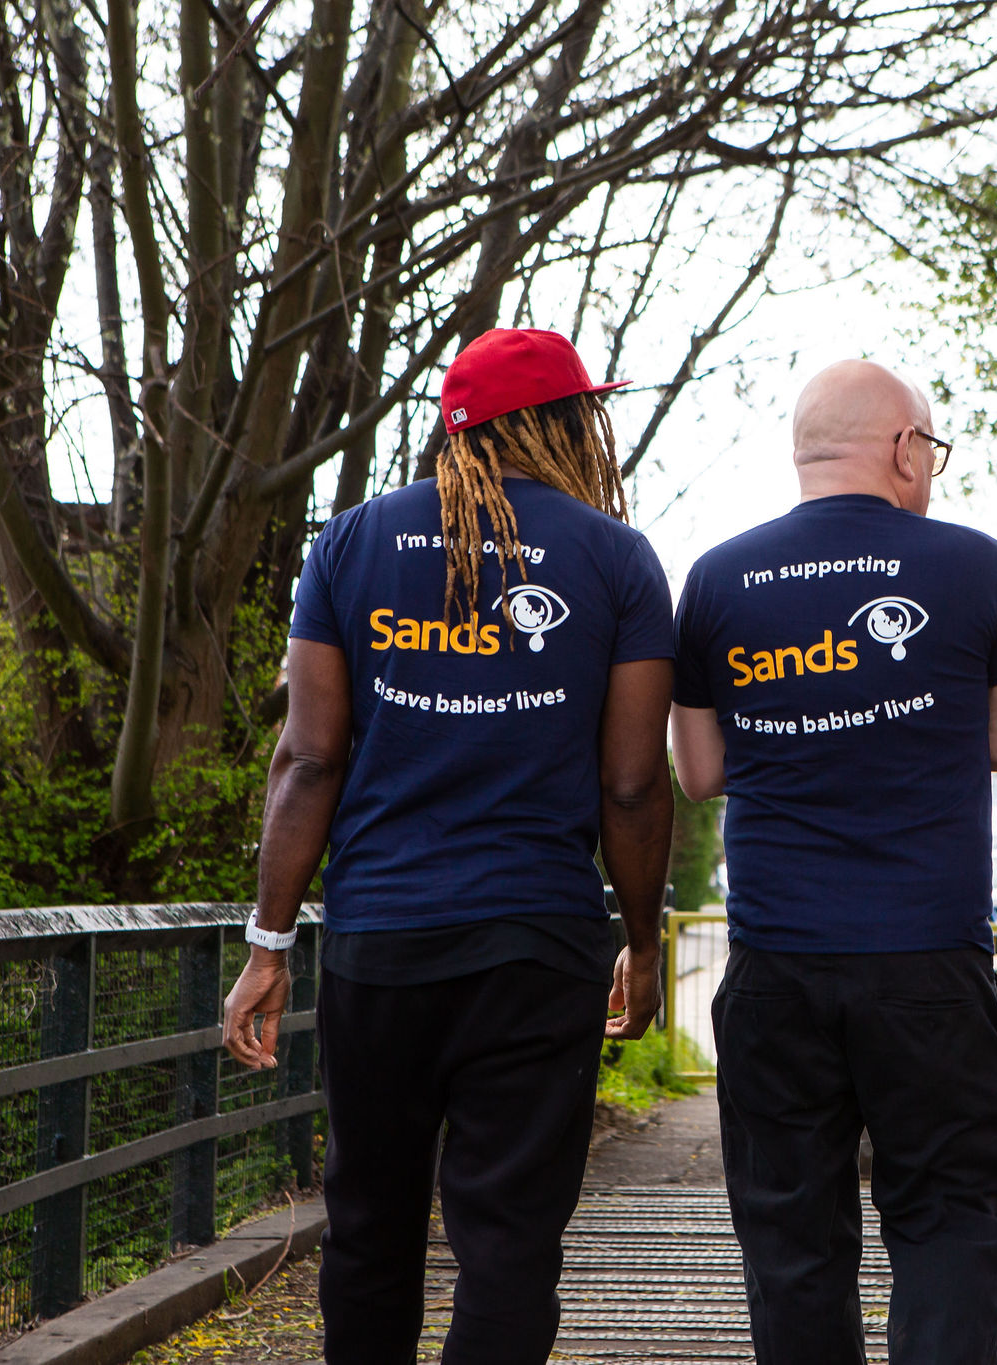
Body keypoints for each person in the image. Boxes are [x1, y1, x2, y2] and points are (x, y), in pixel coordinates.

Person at [221, 328, 675, 1365]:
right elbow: (632, 783)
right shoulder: (617, 559)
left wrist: (268, 945)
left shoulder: (349, 544)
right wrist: (642, 944)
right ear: (558, 423)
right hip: (538, 947)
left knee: (369, 1225)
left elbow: (309, 760)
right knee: (508, 1243)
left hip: (382, 942)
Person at [670, 359, 997, 1365]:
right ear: (903, 449)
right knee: (951, 1217)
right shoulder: (971, 564)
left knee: (791, 1239)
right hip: (930, 964)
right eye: (931, 448)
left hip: (776, 966)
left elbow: (698, 773)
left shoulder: (717, 577)